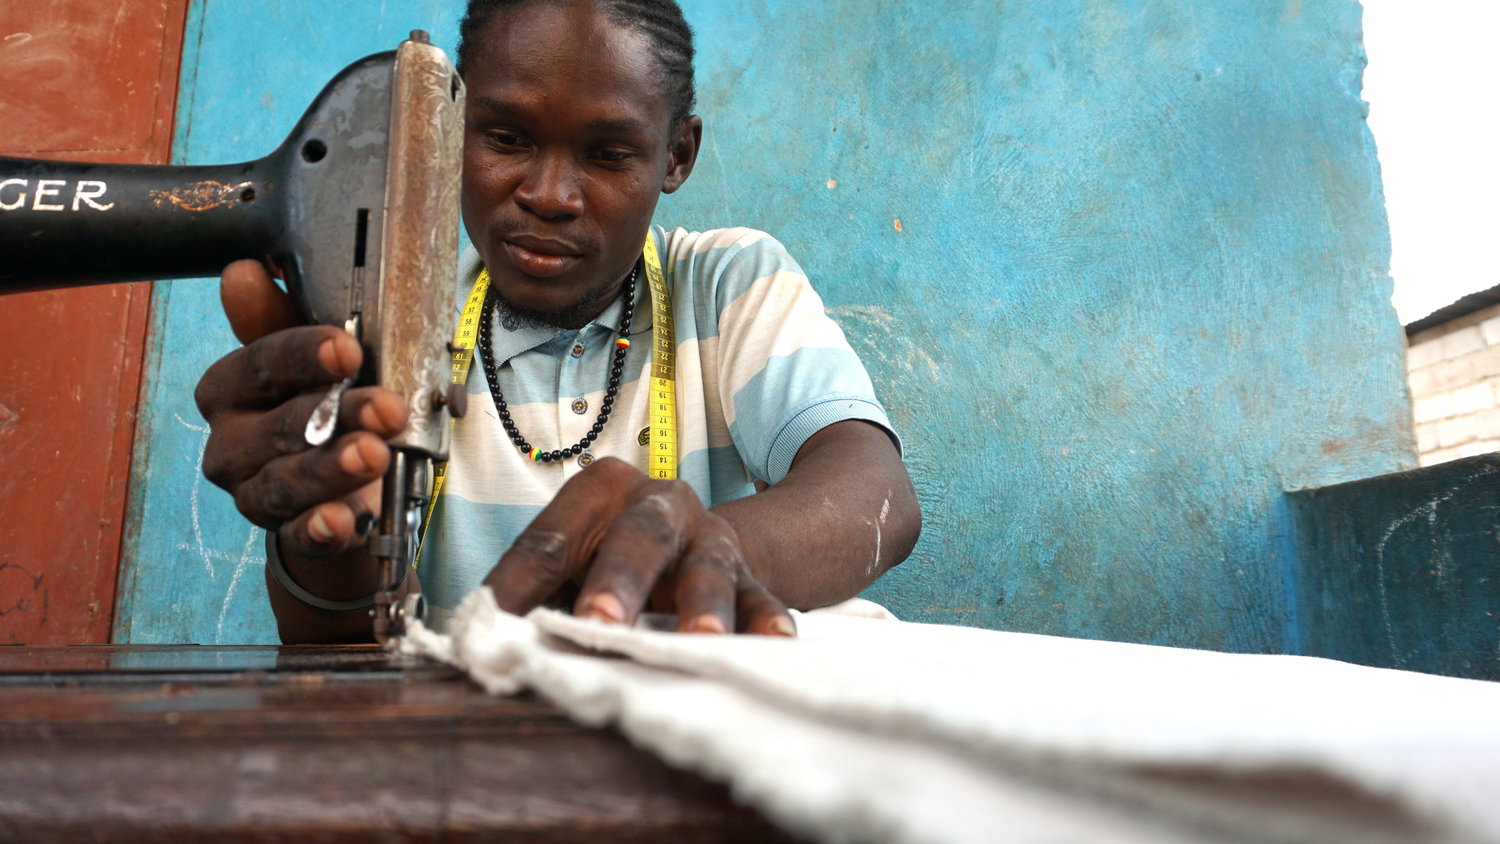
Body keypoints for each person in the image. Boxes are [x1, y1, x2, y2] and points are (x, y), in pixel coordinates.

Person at [194, 0, 921, 643]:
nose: (549, 196)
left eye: (607, 154)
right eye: (506, 138)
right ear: (448, 132)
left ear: (677, 155)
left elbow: (875, 491)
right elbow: (335, 638)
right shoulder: (399, 320)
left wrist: (707, 542)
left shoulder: (729, 284)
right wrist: (327, 539)